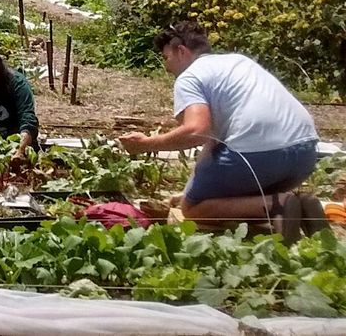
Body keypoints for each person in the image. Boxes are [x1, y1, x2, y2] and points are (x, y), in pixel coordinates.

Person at [118, 22, 325, 243]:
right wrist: (189, 189)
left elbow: (197, 131)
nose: (166, 67)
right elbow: (212, 142)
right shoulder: (238, 62)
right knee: (230, 191)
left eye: (167, 58)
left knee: (193, 209)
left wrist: (146, 144)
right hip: (305, 152)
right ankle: (303, 206)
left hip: (260, 155)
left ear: (181, 51)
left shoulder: (190, 77)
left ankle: (278, 205)